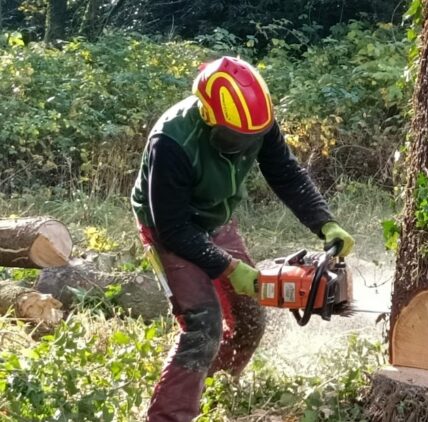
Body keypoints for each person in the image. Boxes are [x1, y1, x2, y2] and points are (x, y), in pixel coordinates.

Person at [130, 56, 354, 422]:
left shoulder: (256, 122)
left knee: (250, 318)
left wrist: (325, 223)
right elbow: (172, 228)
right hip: (168, 227)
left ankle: (213, 389)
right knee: (203, 325)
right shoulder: (170, 142)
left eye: (252, 137)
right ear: (208, 117)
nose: (243, 144)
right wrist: (227, 267)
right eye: (234, 137)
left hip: (216, 218)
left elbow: (286, 173)